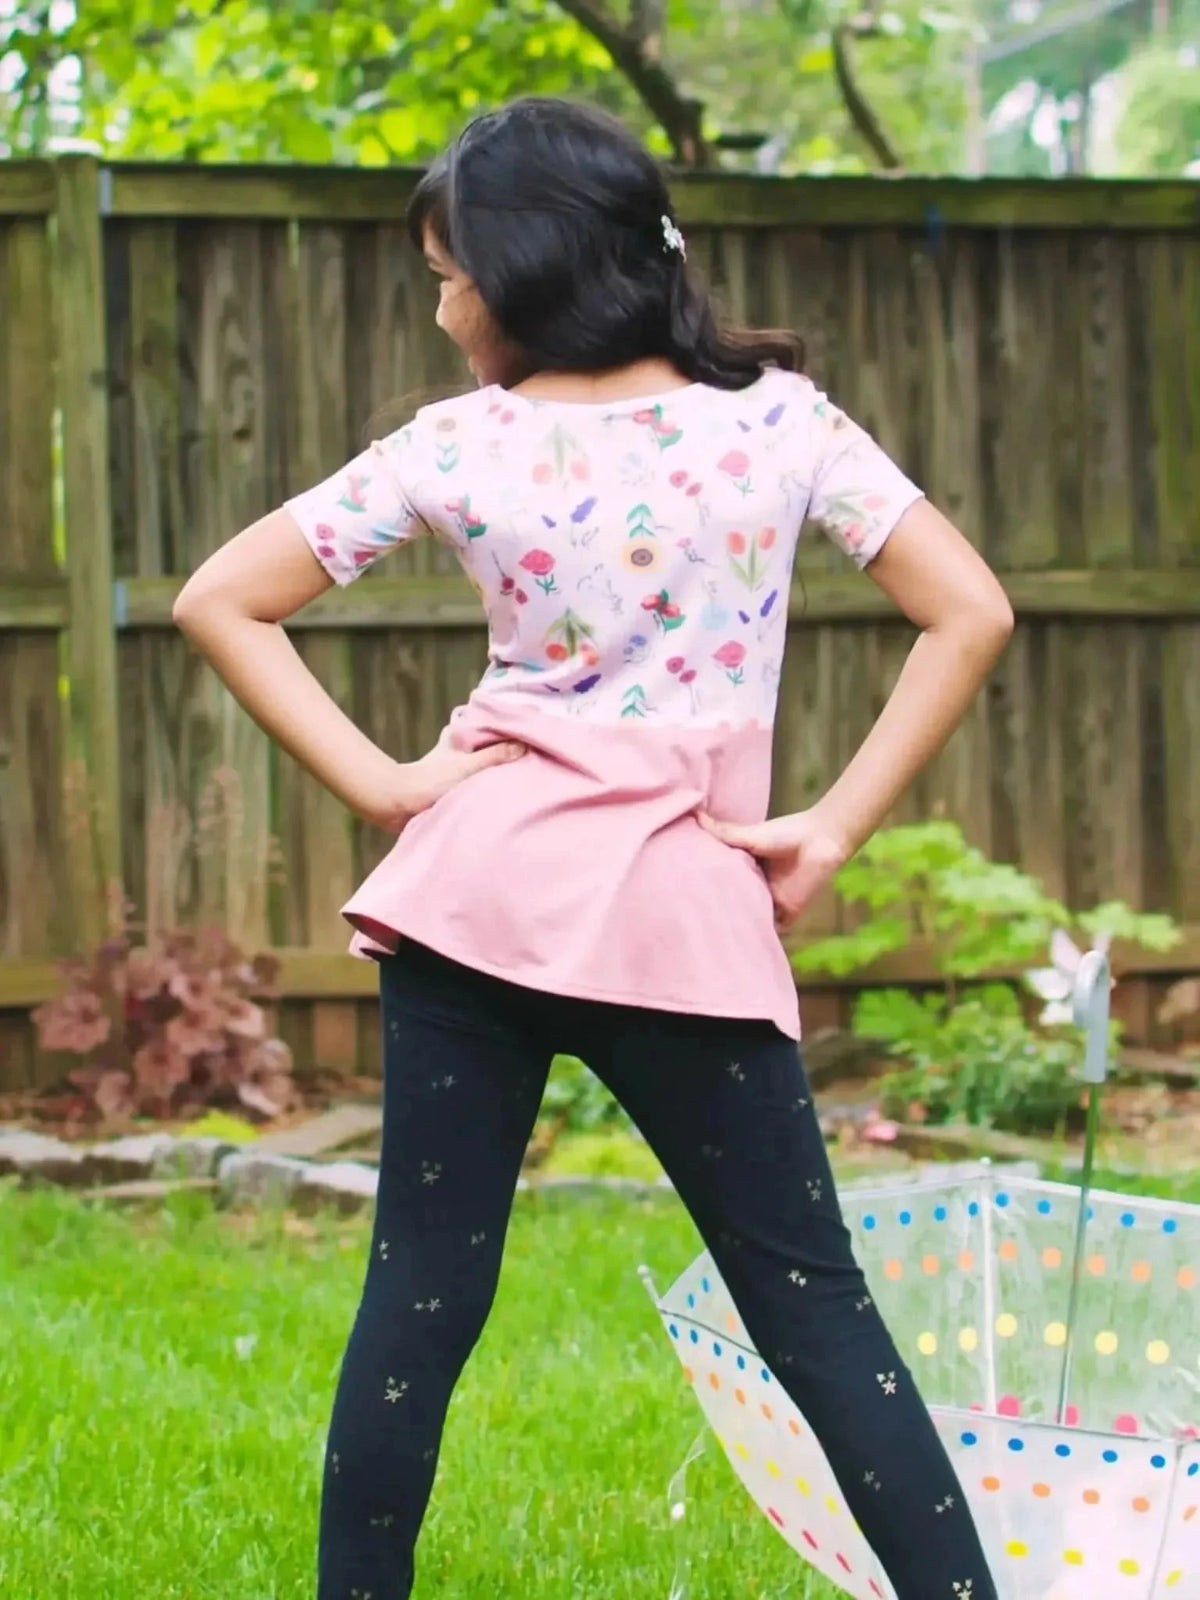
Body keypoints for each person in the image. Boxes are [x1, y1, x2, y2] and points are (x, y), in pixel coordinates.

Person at [174, 96, 1010, 1600]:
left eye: (449, 279)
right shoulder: (781, 422)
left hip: (472, 903)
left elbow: (217, 598)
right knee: (816, 1310)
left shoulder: (458, 444)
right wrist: (829, 827)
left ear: (524, 272)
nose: (443, 312)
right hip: (683, 916)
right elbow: (974, 610)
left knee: (420, 1300)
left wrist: (389, 787)